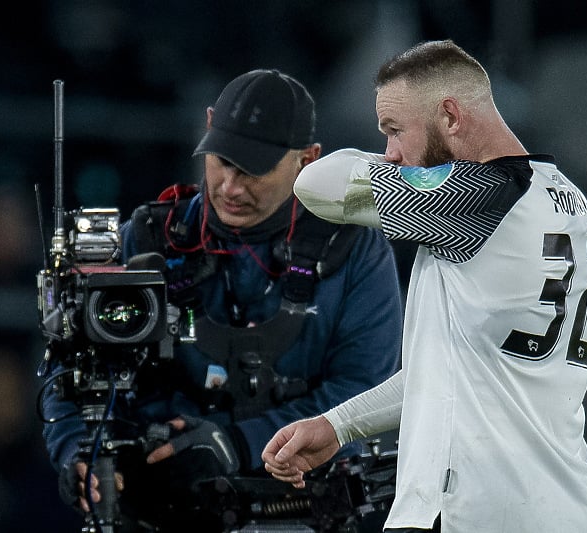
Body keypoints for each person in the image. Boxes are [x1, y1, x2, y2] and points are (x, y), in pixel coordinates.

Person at [262, 39, 587, 533]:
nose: (392, 153)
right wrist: (338, 426)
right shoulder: (567, 196)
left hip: (477, 511)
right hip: (567, 507)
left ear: (450, 115)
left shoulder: (470, 199)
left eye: (395, 130)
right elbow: (454, 377)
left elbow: (316, 183)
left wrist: (404, 174)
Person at [39, 69, 403, 531]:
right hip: (159, 508)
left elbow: (362, 396)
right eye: (223, 161)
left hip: (298, 510)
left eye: (255, 170)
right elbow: (71, 369)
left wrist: (239, 443)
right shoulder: (149, 239)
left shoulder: (355, 250)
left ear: (307, 159)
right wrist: (77, 452)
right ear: (208, 128)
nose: (231, 186)